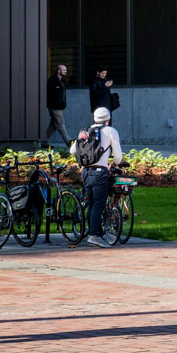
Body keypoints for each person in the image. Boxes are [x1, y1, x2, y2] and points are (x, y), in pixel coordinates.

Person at [71, 106, 123, 248]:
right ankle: (94, 235)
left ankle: (93, 232)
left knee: (92, 204)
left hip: (86, 172)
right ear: (108, 119)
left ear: (94, 118)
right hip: (100, 172)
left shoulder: (85, 131)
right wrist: (114, 164)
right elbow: (118, 155)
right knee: (99, 204)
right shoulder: (110, 131)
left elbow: (72, 150)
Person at [45, 64, 72, 147]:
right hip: (54, 106)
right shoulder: (53, 80)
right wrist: (52, 106)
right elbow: (50, 95)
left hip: (59, 106)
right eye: (64, 70)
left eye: (66, 70)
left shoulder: (62, 81)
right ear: (58, 71)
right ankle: (68, 142)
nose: (66, 72)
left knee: (53, 125)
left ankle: (44, 141)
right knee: (60, 123)